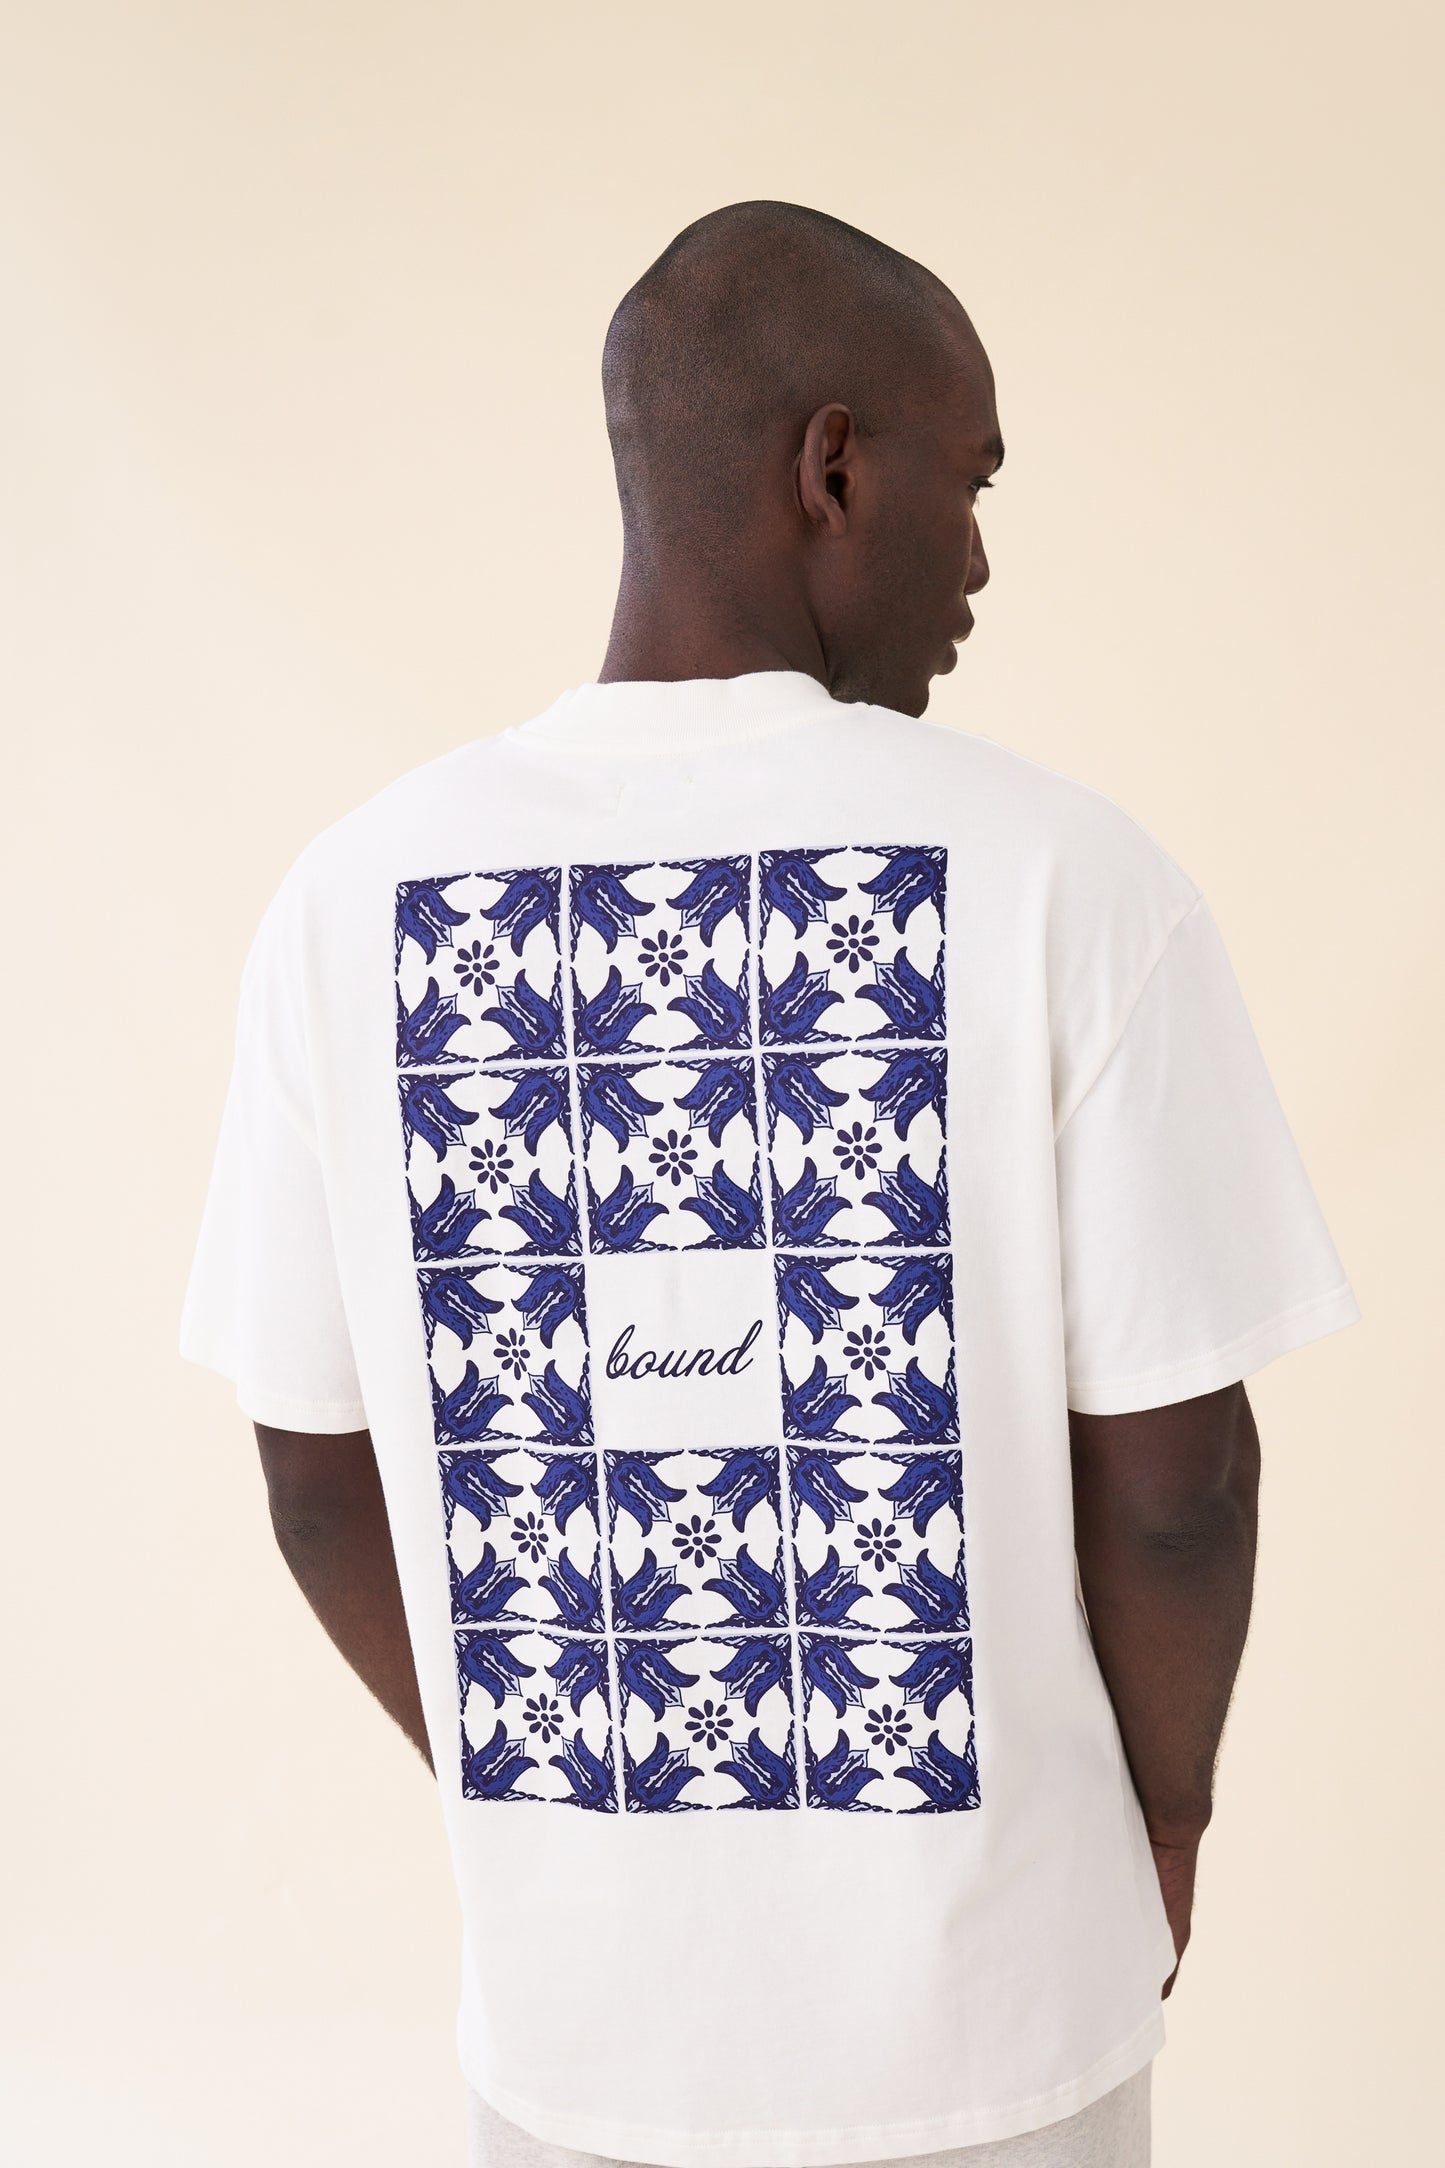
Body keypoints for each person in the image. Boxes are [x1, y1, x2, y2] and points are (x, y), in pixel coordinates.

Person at [181, 202, 1358, 2168]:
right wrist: (1166, 1820)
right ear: (832, 469)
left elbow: (315, 1484)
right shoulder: (1063, 878)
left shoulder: (344, 904)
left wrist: (544, 1798)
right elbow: (1180, 1488)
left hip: (572, 2049)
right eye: (970, 483)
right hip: (997, 2037)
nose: (979, 561)